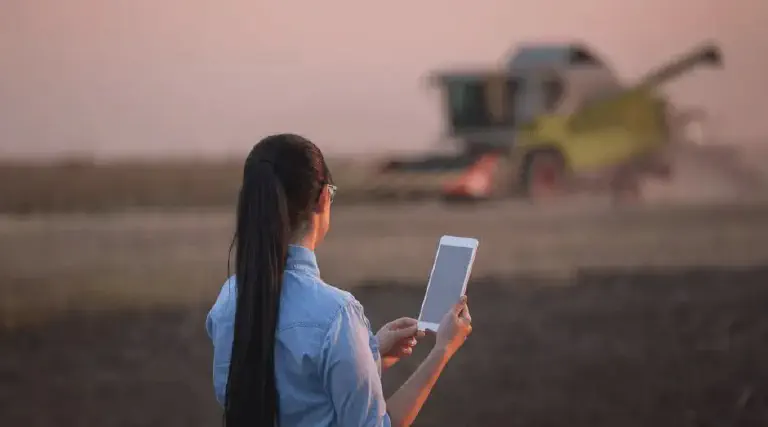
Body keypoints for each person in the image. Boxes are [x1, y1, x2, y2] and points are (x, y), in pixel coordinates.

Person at [205, 133, 473, 427]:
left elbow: (294, 388)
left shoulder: (228, 301)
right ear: (322, 198)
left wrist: (370, 351)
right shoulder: (336, 314)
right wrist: (442, 350)